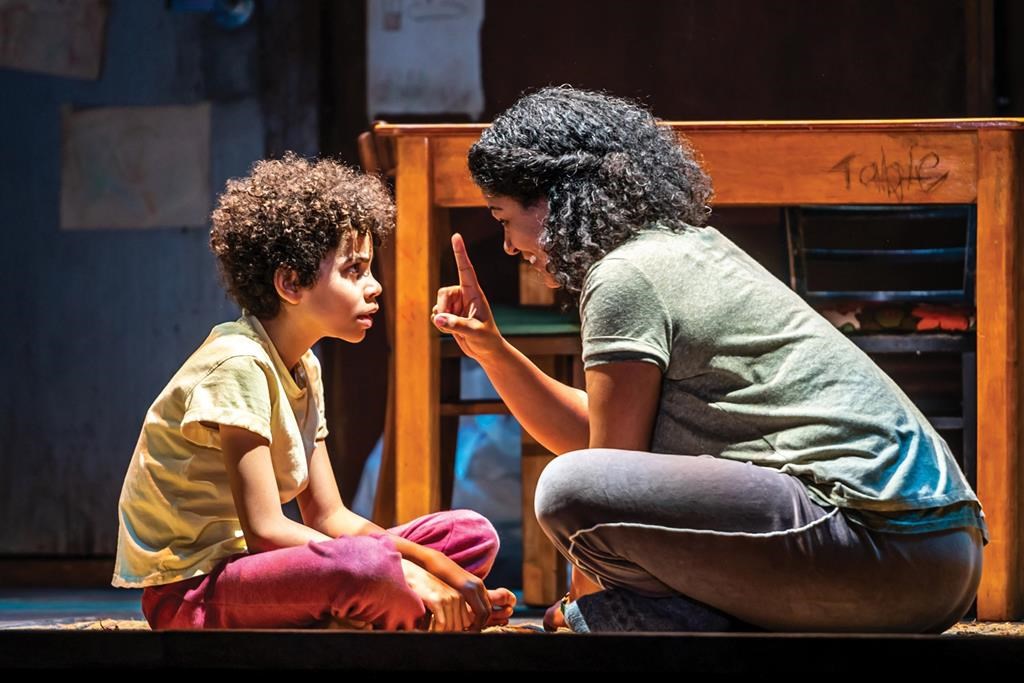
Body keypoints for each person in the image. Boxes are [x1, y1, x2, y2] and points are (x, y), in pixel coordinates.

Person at [431, 87, 987, 633]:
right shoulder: (686, 246)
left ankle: (653, 620)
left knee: (565, 489)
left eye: (503, 219)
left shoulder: (624, 275)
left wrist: (584, 612)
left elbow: (603, 480)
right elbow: (606, 447)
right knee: (582, 481)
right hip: (943, 560)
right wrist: (492, 351)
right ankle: (689, 618)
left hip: (878, 545)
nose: (507, 245)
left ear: (556, 200)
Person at [112, 154, 515, 631]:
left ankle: (381, 611)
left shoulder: (305, 367)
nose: (375, 286)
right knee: (366, 569)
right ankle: (398, 610)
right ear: (291, 283)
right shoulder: (239, 364)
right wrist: (402, 566)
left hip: (264, 574)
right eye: (355, 270)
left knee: (469, 535)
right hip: (194, 593)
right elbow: (265, 530)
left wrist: (438, 567)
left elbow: (329, 517)